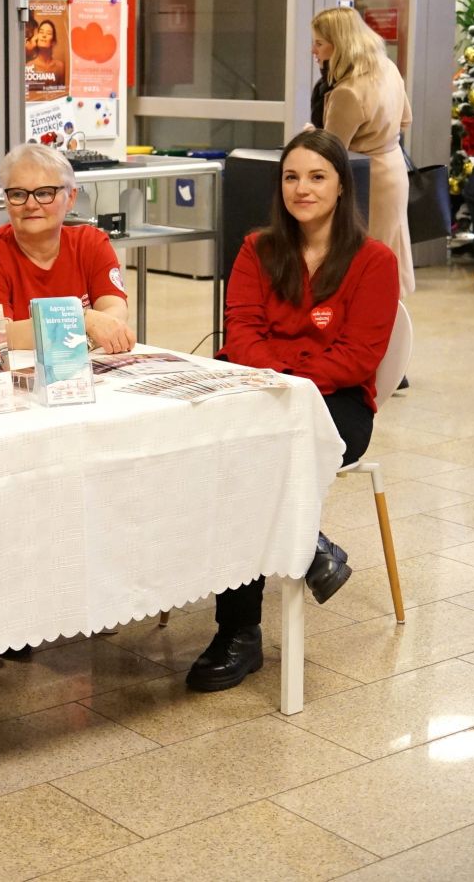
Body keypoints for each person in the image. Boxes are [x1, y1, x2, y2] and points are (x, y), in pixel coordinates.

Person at [188, 130, 399, 693]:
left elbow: (357, 358)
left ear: (341, 185)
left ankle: (239, 633)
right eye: (291, 177)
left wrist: (288, 378)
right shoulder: (257, 250)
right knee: (237, 453)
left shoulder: (374, 261)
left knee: (249, 466)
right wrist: (282, 377)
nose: (302, 188)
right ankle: (309, 545)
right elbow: (241, 334)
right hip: (261, 396)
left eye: (316, 177)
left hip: (335, 408)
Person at [0, 143, 135, 355]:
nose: (31, 205)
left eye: (44, 193)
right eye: (18, 194)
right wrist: (82, 320)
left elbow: (115, 313)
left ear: (71, 198)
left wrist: (47, 330)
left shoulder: (91, 243)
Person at [310, 6, 415, 295]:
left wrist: (312, 136)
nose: (313, 50)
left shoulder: (348, 90)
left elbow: (332, 148)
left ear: (340, 43)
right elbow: (406, 119)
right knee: (389, 248)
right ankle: (390, 313)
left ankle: (370, 314)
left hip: (366, 178)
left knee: (364, 258)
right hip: (393, 170)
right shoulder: (387, 68)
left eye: (319, 43)